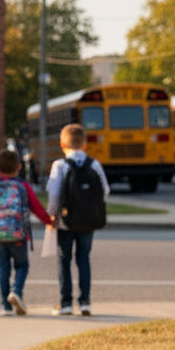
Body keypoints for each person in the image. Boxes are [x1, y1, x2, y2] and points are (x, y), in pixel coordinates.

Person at [0, 147, 53, 316]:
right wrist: (49, 221)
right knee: (22, 265)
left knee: (3, 267)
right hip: (18, 235)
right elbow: (36, 207)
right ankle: (16, 292)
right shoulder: (23, 186)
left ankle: (5, 306)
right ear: (18, 167)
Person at [46, 123, 110, 316]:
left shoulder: (60, 165)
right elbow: (105, 190)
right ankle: (85, 302)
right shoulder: (94, 164)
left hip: (66, 222)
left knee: (64, 260)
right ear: (85, 144)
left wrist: (52, 215)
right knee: (84, 258)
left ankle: (66, 303)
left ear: (62, 144)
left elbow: (54, 194)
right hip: (88, 221)